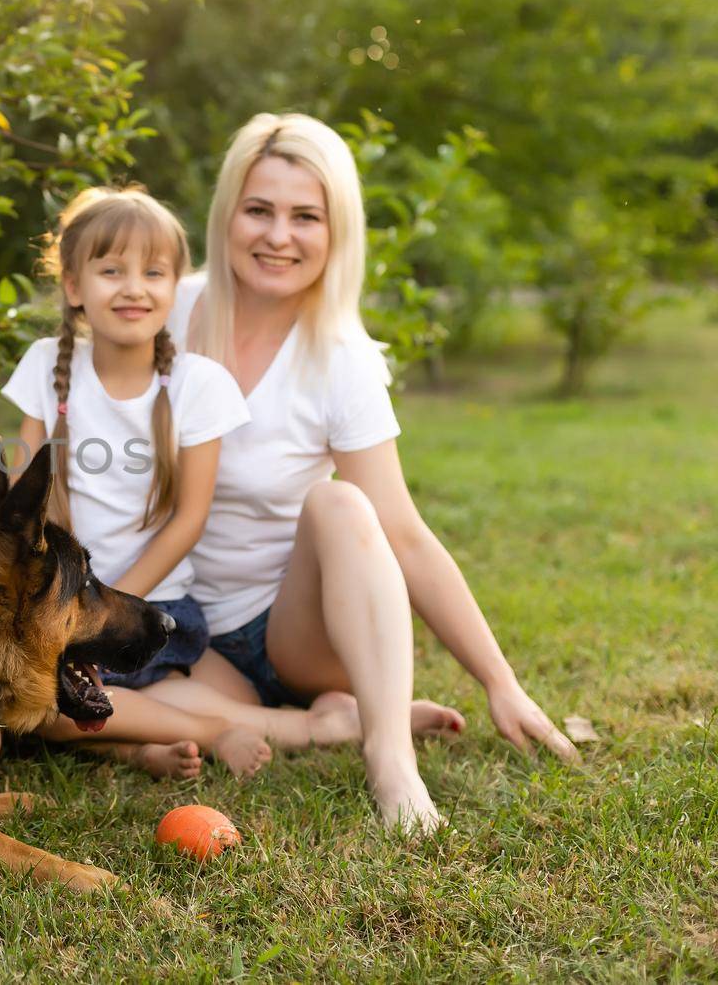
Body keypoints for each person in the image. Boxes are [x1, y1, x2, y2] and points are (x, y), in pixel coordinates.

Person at [147, 112, 579, 830]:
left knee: (342, 504)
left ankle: (387, 751)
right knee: (109, 709)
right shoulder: (169, 308)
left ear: (336, 229)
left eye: (305, 216)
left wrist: (501, 683)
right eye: (259, 210)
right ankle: (326, 721)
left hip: (294, 632)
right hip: (186, 630)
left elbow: (404, 535)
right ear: (228, 214)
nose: (278, 236)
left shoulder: (340, 356)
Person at [0, 185, 366, 791]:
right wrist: (74, 606)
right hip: (65, 611)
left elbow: (188, 520)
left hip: (152, 608)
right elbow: (24, 499)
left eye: (153, 272)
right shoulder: (45, 365)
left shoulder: (199, 385)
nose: (133, 287)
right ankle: (269, 732)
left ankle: (178, 731)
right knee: (48, 711)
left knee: (226, 694)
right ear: (73, 286)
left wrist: (113, 602)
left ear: (177, 289)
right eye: (111, 270)